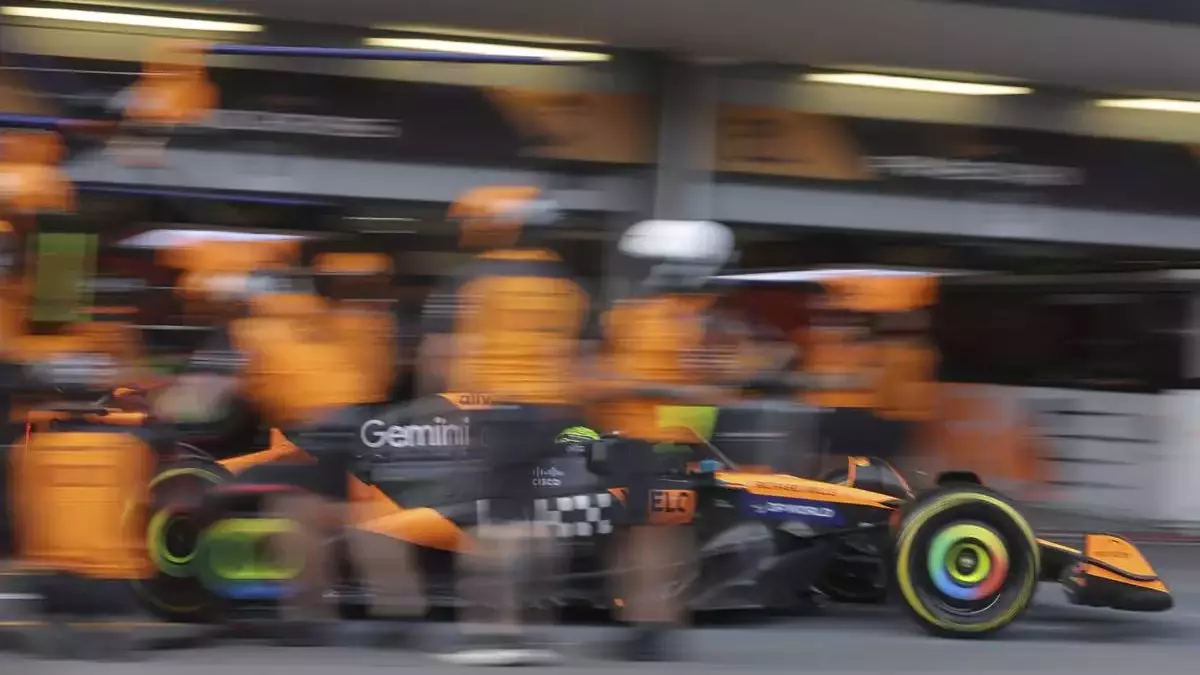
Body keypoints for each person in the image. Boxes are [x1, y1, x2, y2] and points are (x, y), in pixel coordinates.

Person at [421, 185, 597, 666]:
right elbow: (584, 361)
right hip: (554, 414)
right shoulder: (570, 286)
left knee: (491, 524)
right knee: (539, 524)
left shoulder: (470, 279)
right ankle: (537, 631)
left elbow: (440, 355)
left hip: (491, 412)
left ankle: (494, 634)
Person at [597, 218, 737, 661]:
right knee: (638, 536)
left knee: (653, 536)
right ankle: (645, 622)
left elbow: (699, 386)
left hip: (658, 444)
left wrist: (639, 385)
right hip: (636, 441)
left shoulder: (690, 320)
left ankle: (653, 624)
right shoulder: (649, 315)